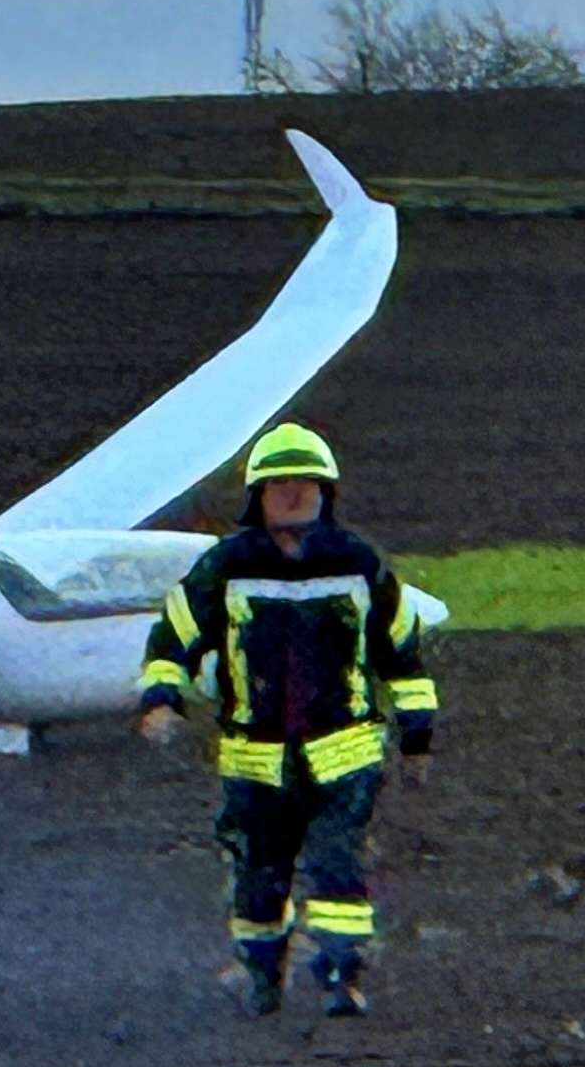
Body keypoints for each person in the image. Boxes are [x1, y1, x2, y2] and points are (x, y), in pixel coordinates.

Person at [137, 422, 442, 1017]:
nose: (295, 494)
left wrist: (417, 737)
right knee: (259, 875)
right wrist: (161, 699)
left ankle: (341, 976)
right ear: (259, 496)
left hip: (346, 753)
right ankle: (263, 975)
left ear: (327, 493)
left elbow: (402, 656)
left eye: (307, 483)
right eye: (281, 484)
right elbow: (173, 637)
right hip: (255, 761)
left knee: (338, 865)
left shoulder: (361, 565)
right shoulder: (224, 568)